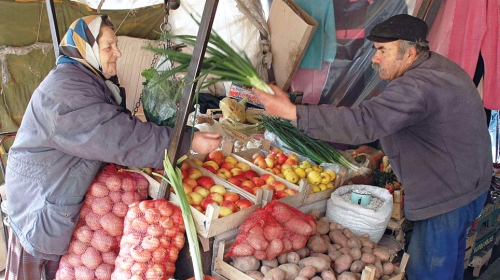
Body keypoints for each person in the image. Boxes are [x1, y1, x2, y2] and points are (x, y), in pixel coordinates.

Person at [254, 14, 491, 279]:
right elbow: (416, 122)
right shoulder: (441, 67)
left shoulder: (417, 85)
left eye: (382, 50)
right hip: (470, 185)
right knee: (450, 266)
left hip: (446, 197)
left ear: (410, 53)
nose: (374, 58)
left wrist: (293, 112)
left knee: (430, 272)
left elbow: (364, 122)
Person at [4, 15, 222, 279]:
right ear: (86, 50)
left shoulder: (83, 78)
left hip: (47, 192)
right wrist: (188, 141)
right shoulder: (67, 92)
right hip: (39, 206)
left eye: (115, 45)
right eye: (108, 47)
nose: (117, 53)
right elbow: (118, 137)